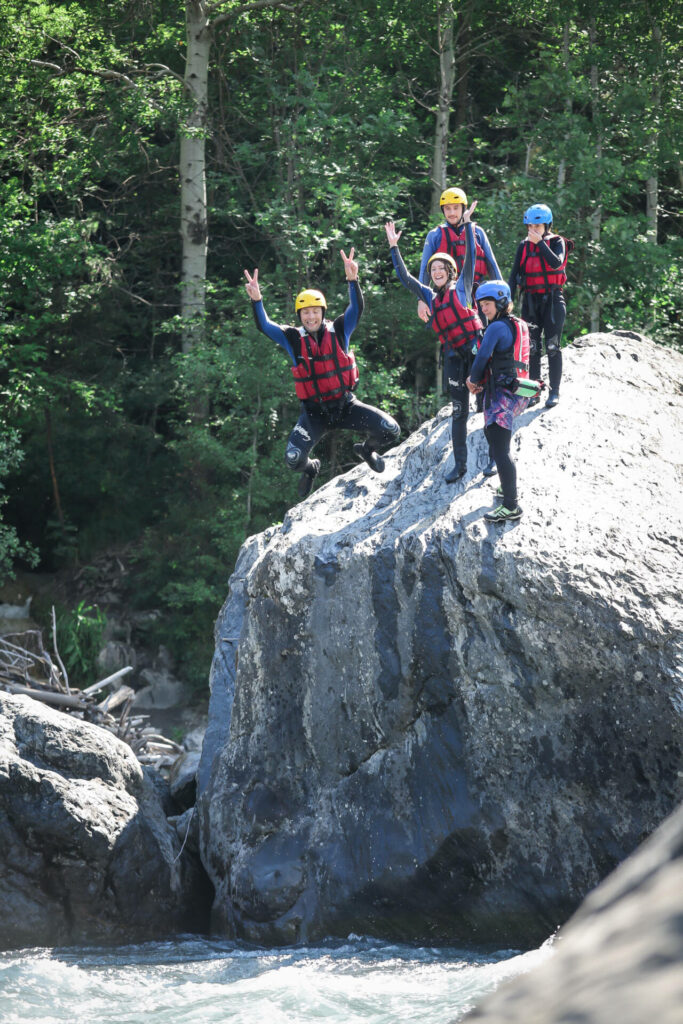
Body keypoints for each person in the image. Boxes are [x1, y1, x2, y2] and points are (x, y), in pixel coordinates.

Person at [244, 249, 400, 499]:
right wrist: (257, 300)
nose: (311, 316)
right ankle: (310, 469)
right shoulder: (292, 339)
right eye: (305, 312)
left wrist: (353, 280)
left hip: (345, 406)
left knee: (391, 429)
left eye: (315, 311)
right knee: (293, 459)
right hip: (315, 414)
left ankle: (367, 451)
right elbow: (264, 325)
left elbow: (356, 308)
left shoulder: (340, 329)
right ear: (299, 316)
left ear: (323, 313)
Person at [385, 202, 485, 483]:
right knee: (458, 411)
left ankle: (491, 458)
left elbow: (472, 259)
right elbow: (405, 278)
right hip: (454, 356)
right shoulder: (430, 296)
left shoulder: (463, 286)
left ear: (451, 272)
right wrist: (394, 248)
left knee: (486, 403)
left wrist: (466, 225)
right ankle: (461, 464)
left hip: (476, 351)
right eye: (433, 269)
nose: (437, 271)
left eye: (442, 268)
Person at [466, 280, 531, 524]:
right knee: (497, 442)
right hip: (519, 393)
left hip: (503, 396)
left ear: (501, 302)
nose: (483, 309)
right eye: (481, 304)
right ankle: (507, 487)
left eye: (488, 304)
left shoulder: (495, 328)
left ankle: (511, 506)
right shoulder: (520, 325)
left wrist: (472, 380)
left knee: (500, 450)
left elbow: (482, 356)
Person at [508, 203, 571, 409]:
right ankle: (533, 393)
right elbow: (513, 274)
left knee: (552, 346)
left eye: (538, 227)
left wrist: (540, 243)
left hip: (553, 301)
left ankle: (554, 392)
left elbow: (557, 264)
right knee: (533, 348)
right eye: (530, 227)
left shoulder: (557, 242)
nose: (533, 231)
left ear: (547, 226)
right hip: (531, 302)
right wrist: (507, 300)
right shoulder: (523, 246)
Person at [416, 186, 502, 325]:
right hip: (450, 298)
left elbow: (492, 267)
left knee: (484, 337)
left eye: (456, 208)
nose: (452, 213)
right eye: (448, 208)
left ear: (463, 208)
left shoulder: (478, 233)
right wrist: (421, 300)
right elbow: (424, 272)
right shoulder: (434, 236)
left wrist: (501, 295)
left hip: (479, 295)